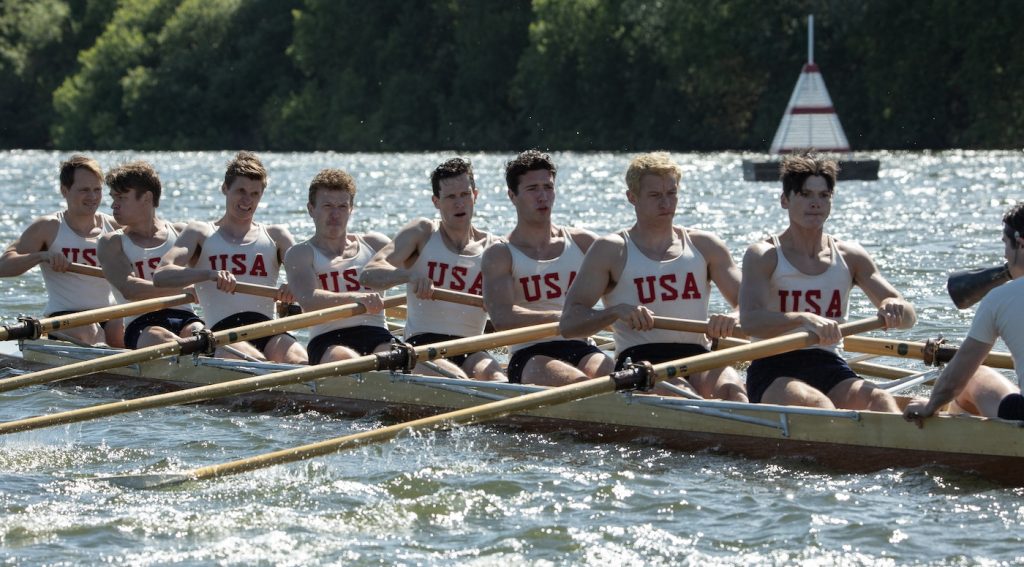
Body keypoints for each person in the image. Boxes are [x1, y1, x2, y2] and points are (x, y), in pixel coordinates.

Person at [560, 152, 747, 400]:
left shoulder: (705, 245)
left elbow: (751, 304)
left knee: (733, 394)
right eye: (655, 196)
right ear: (632, 197)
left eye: (671, 194)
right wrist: (615, 312)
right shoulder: (611, 250)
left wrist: (732, 317)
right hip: (640, 362)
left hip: (698, 356)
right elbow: (569, 323)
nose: (666, 204)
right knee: (685, 398)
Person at [739, 151, 916, 411]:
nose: (816, 203)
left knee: (880, 399)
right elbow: (751, 322)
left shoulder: (850, 255)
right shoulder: (763, 255)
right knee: (818, 405)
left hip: (828, 363)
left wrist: (893, 306)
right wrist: (803, 319)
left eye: (823, 196)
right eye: (805, 194)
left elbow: (910, 318)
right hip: (773, 367)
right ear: (785, 200)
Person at [153, 151, 307, 363]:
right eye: (241, 191)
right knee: (255, 361)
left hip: (268, 330)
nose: (247, 200)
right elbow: (161, 276)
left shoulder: (276, 235)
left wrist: (295, 285)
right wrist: (209, 274)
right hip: (222, 334)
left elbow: (310, 277)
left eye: (254, 193)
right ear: (225, 189)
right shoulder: (199, 233)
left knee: (300, 361)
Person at [360, 157, 506, 381]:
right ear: (436, 201)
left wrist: (501, 304)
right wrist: (409, 276)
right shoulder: (423, 233)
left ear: (475, 196)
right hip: (422, 346)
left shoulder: (495, 247)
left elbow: (514, 305)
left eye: (465, 195)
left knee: (499, 382)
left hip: (472, 348)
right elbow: (369, 274)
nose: (459, 203)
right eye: (450, 197)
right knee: (458, 381)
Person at [481, 150, 613, 386]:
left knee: (618, 380)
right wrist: (564, 317)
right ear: (512, 196)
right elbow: (502, 317)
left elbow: (627, 284)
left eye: (548, 187)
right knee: (582, 384)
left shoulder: (584, 243)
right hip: (530, 353)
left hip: (581, 346)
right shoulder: (500, 253)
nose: (543, 196)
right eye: (533, 189)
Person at [904, 204, 1024, 423]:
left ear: (1021, 243)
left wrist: (931, 405)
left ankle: (957, 446)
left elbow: (958, 374)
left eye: (1006, 245)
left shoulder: (999, 299)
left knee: (974, 376)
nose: (1005, 256)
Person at [0, 155, 124, 347]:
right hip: (65, 318)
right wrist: (42, 256)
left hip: (110, 317)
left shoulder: (116, 227)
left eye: (97, 190)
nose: (92, 197)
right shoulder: (48, 227)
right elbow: (4, 265)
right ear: (64, 191)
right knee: (92, 331)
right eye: (84, 190)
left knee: (128, 327)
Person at [284, 168, 396, 364]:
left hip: (377, 333)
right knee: (348, 360)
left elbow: (413, 271)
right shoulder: (299, 254)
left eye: (342, 206)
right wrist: (355, 297)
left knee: (396, 358)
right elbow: (308, 300)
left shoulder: (376, 245)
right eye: (327, 205)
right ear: (311, 209)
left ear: (351, 209)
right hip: (328, 340)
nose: (335, 214)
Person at [96, 161, 204, 349]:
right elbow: (130, 289)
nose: (114, 205)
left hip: (185, 317)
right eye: (113, 198)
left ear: (146, 198)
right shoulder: (111, 243)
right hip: (142, 323)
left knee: (201, 334)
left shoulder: (181, 233)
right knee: (162, 338)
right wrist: (183, 289)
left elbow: (215, 270)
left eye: (121, 198)